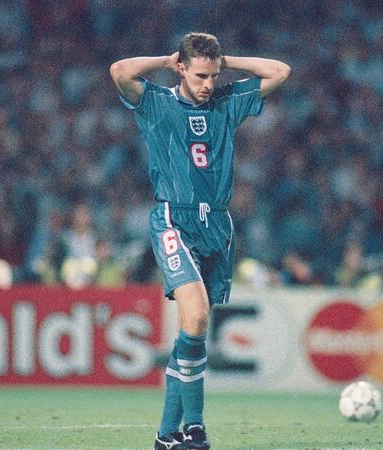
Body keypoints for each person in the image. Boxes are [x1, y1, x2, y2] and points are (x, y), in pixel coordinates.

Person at [110, 32, 290, 450]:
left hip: (217, 225)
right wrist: (165, 57)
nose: (208, 83)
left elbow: (281, 71)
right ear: (181, 69)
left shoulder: (226, 102)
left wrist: (228, 62)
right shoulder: (157, 102)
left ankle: (165, 436)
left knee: (192, 332)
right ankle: (195, 427)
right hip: (174, 219)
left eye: (213, 74)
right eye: (200, 75)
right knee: (195, 317)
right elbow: (119, 71)